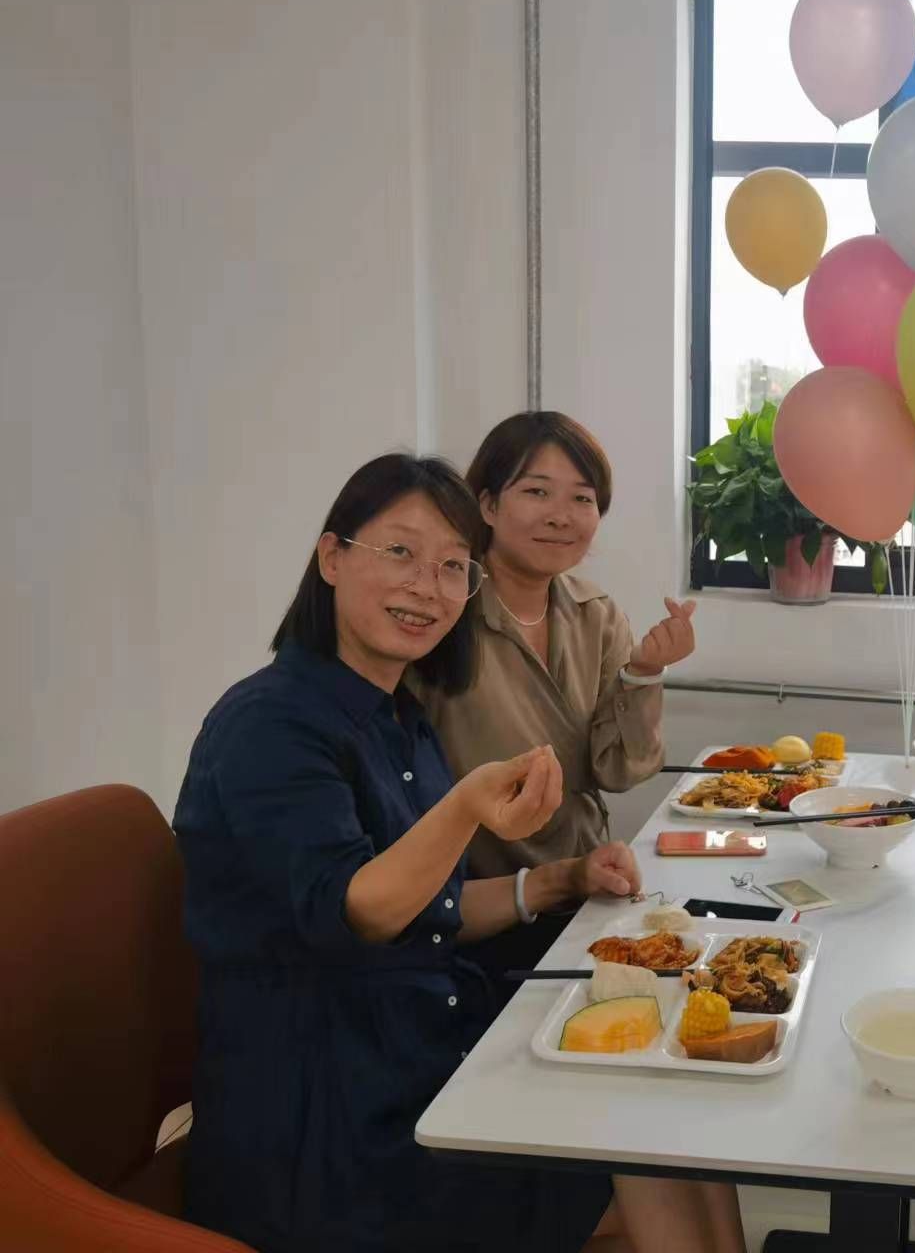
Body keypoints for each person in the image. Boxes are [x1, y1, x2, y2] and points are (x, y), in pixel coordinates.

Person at [174, 453, 742, 1253]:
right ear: (332, 557)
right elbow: (363, 910)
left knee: (674, 1109)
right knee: (641, 1151)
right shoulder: (270, 725)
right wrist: (466, 805)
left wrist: (560, 878)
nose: (427, 586)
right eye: (400, 552)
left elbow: (432, 907)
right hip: (329, 1121)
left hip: (420, 1050)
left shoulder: (397, 716)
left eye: (451, 567)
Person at [418, 412, 696, 980]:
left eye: (582, 498)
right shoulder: (444, 611)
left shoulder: (596, 614)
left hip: (586, 896)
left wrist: (644, 672)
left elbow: (619, 770)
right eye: (537, 492)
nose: (561, 516)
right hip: (472, 912)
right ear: (487, 505)